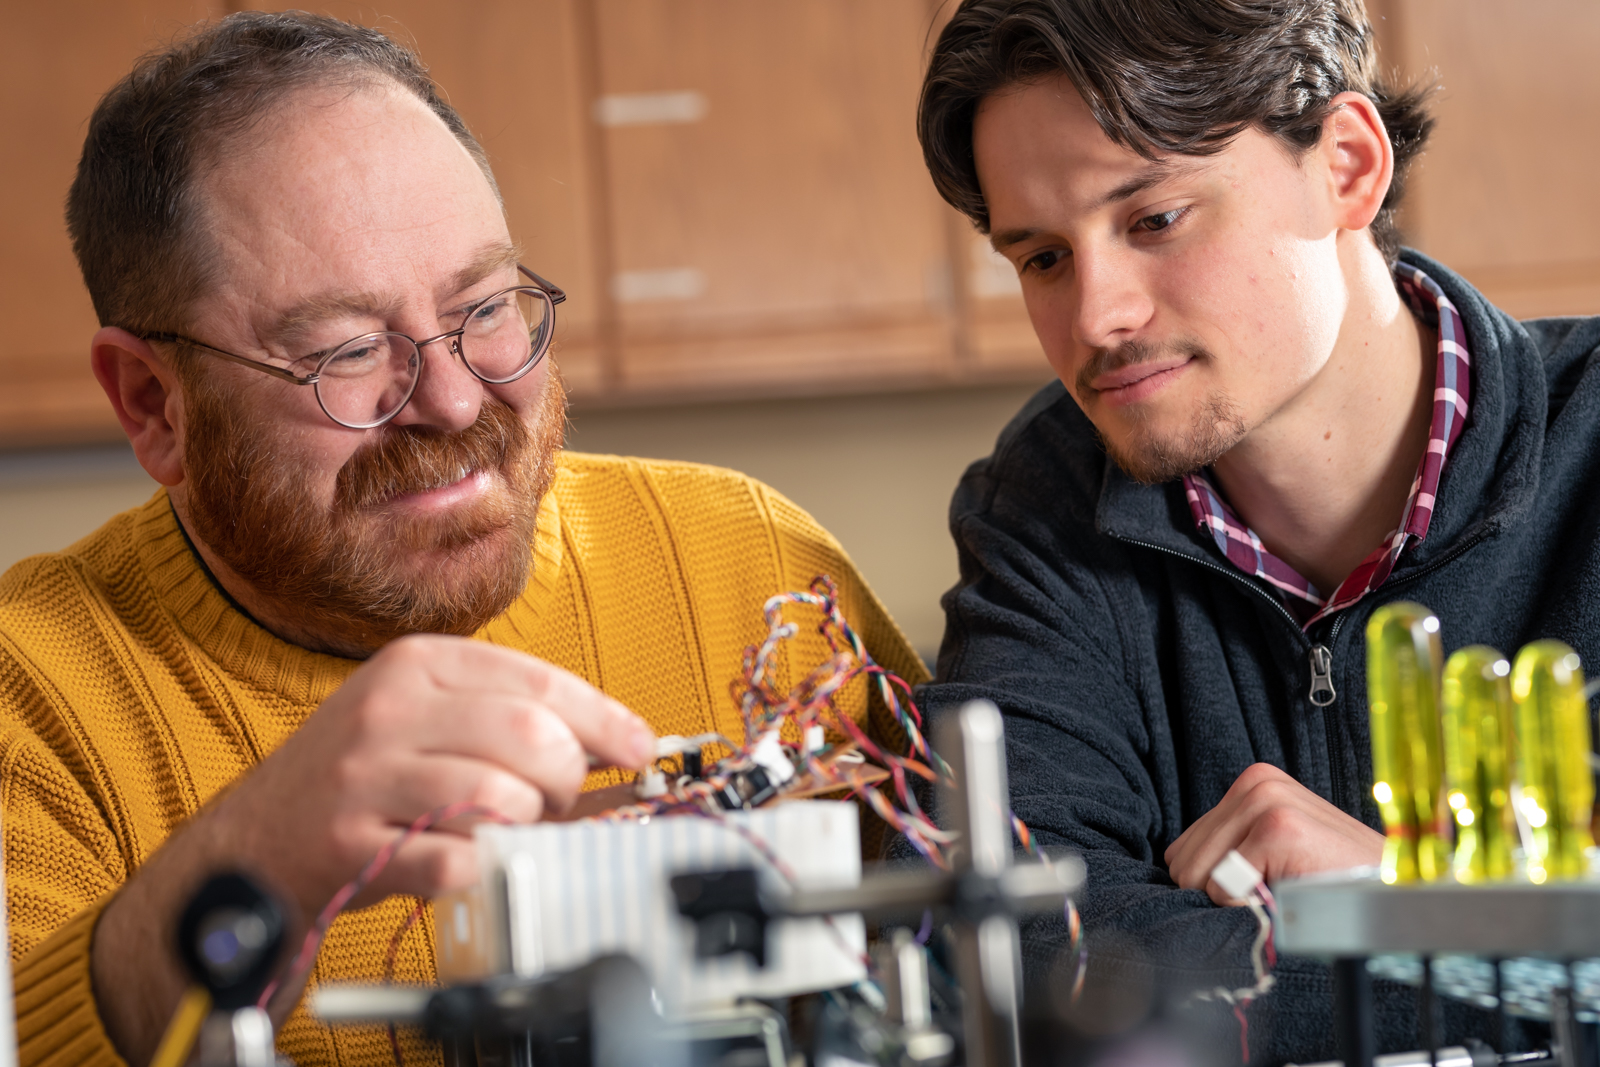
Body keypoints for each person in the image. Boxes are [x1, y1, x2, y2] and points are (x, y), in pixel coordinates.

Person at [0, 13, 924, 1067]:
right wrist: (253, 857)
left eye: (484, 306)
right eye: (345, 349)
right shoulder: (30, 696)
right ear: (153, 403)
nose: (450, 397)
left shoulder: (752, 565)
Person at [913, 0, 1599, 1060]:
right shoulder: (1039, 507)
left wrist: (1416, 909)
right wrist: (1534, 950)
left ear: (1346, 167)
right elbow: (1016, 956)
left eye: (1154, 219)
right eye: (1042, 257)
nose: (1095, 315)